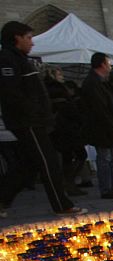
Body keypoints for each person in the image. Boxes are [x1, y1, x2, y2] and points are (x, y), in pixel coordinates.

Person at [0, 21, 86, 215]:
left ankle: (3, 199)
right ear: (17, 38)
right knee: (48, 161)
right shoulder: (7, 59)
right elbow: (11, 93)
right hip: (27, 121)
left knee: (28, 164)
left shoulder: (21, 59)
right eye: (29, 38)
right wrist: (34, 113)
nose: (32, 43)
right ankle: (61, 204)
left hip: (34, 120)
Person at [81, 53, 113, 199]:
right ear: (102, 64)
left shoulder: (102, 82)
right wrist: (111, 127)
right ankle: (106, 188)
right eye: (108, 63)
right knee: (105, 158)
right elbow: (99, 109)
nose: (109, 66)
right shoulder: (92, 83)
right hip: (102, 127)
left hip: (110, 124)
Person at [43, 66, 87, 197]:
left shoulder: (51, 88)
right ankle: (68, 182)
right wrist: (78, 118)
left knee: (70, 156)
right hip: (65, 128)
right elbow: (66, 109)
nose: (62, 76)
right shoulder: (56, 89)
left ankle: (68, 182)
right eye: (59, 74)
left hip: (62, 128)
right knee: (76, 155)